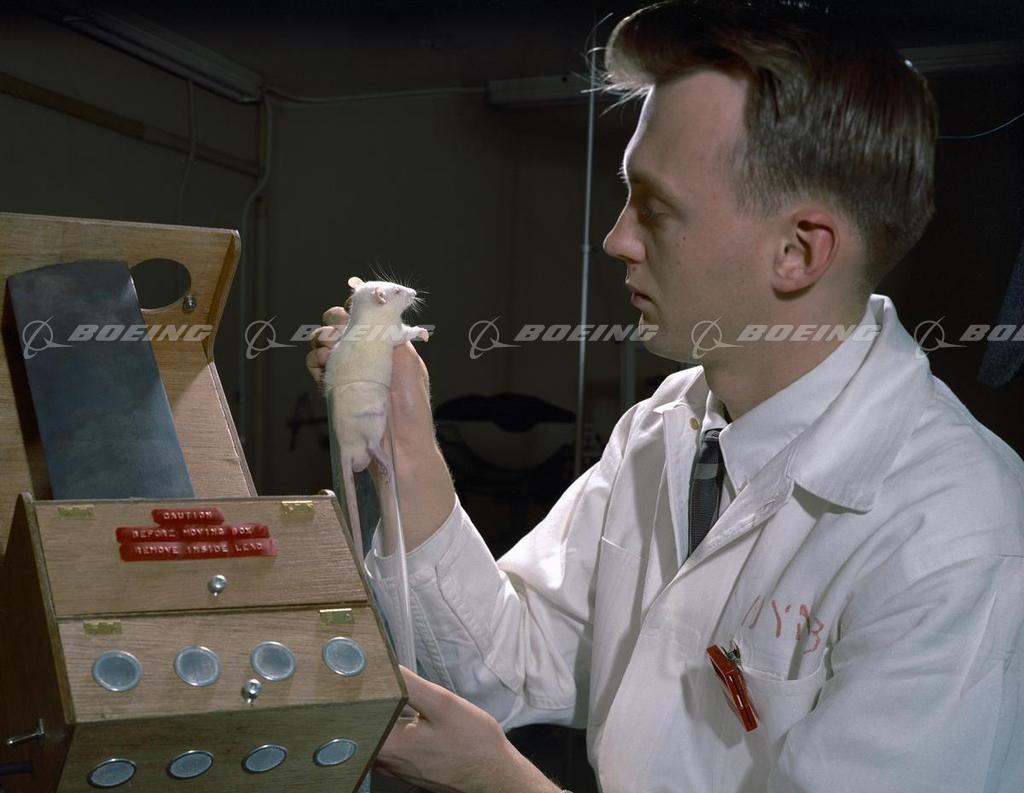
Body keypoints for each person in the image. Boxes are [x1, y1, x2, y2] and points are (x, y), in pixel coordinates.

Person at [307, 2, 1024, 791]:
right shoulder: (664, 426)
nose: (617, 238)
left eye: (655, 208)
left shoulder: (955, 536)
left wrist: (499, 781)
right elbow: (507, 665)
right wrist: (405, 444)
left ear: (798, 251)